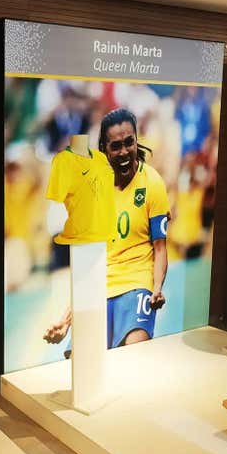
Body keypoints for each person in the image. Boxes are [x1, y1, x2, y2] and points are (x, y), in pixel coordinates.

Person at [44, 108, 170, 348]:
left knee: (134, 352)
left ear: (136, 141)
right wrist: (67, 320)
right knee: (82, 359)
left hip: (137, 282)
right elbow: (88, 264)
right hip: (100, 286)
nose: (124, 151)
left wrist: (156, 289)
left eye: (129, 142)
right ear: (104, 149)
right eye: (116, 146)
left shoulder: (152, 182)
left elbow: (160, 247)